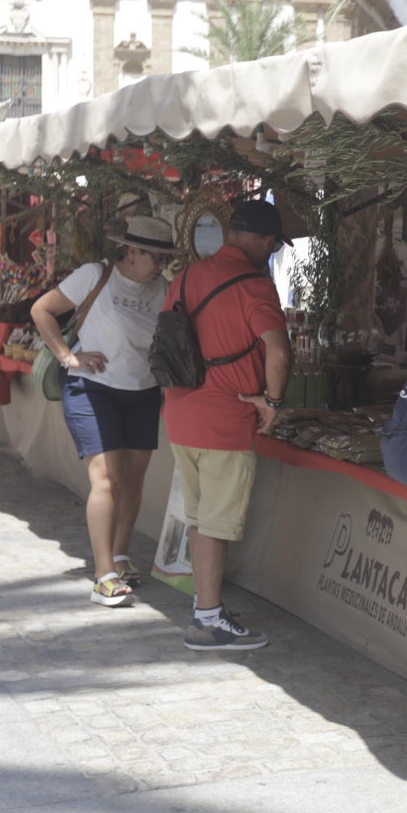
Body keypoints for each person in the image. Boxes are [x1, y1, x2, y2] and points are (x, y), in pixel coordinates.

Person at [162, 200, 290, 650]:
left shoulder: (186, 276)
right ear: (267, 242)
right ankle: (208, 622)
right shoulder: (255, 285)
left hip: (181, 414)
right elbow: (277, 350)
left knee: (200, 518)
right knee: (214, 522)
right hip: (225, 419)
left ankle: (205, 608)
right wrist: (273, 402)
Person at [32, 216, 174, 608]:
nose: (160, 266)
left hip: (143, 391)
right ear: (131, 250)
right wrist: (67, 356)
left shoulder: (163, 288)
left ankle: (122, 556)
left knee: (133, 479)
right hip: (93, 389)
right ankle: (104, 575)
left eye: (166, 259)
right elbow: (42, 310)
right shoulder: (96, 275)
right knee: (107, 479)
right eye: (155, 257)